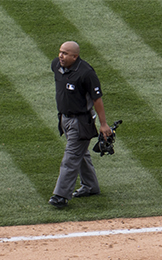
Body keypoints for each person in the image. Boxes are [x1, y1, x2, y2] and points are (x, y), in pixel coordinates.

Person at [49, 40, 113, 209]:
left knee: (70, 158)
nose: (60, 56)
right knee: (80, 154)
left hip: (81, 122)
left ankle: (60, 196)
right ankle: (91, 186)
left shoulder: (86, 73)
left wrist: (104, 124)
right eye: (60, 52)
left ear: (75, 56)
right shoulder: (56, 65)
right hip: (64, 119)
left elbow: (97, 99)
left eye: (65, 53)